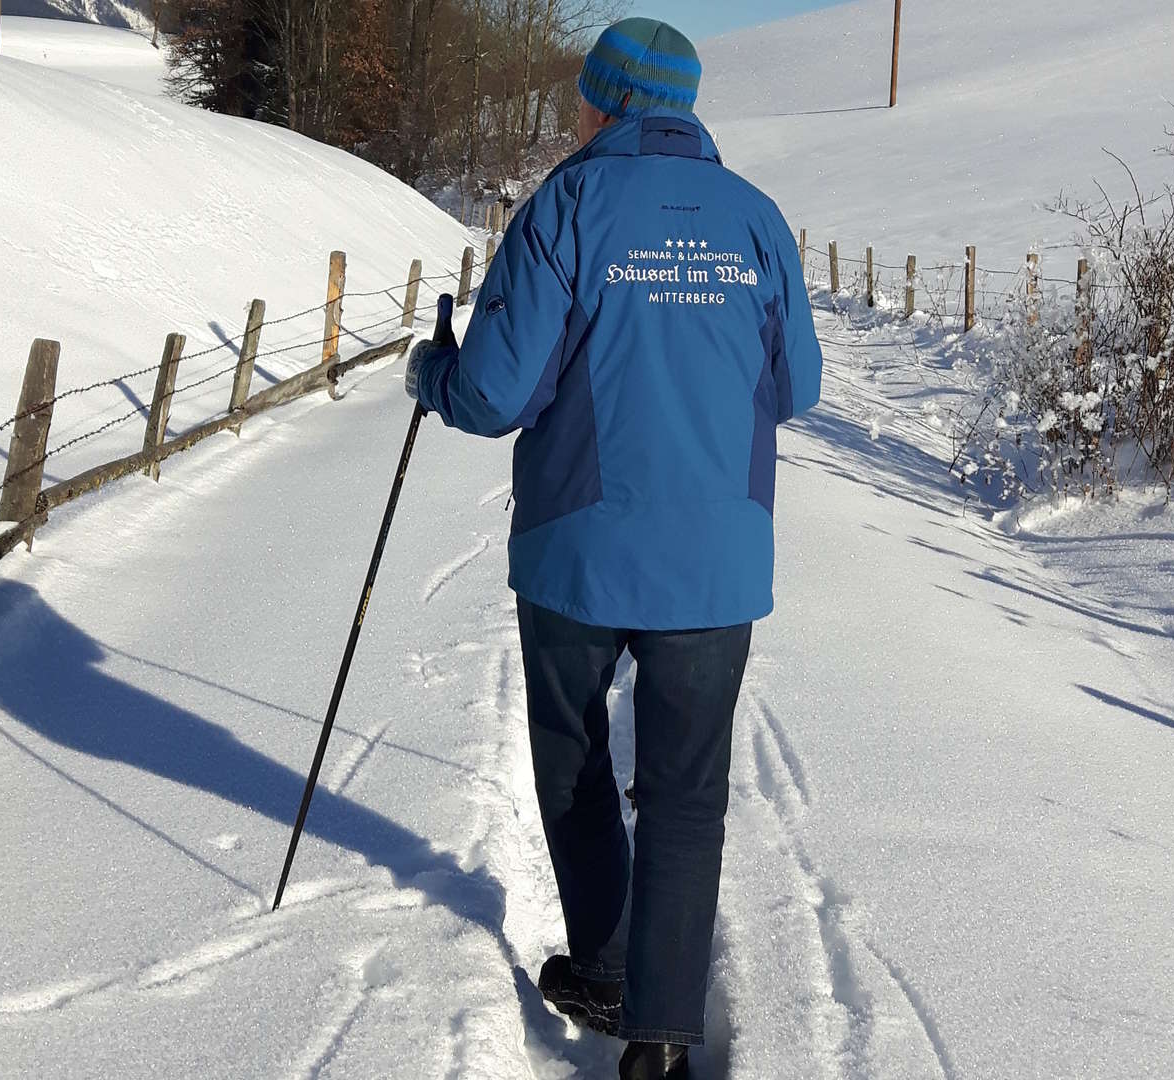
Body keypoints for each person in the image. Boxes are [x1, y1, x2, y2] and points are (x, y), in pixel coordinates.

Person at [405, 17, 822, 1080]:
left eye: (584, 98)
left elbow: (496, 390)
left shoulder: (567, 207)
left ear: (606, 103)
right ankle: (663, 1037)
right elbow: (801, 386)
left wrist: (433, 377)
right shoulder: (757, 220)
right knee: (687, 794)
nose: (576, 113)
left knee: (577, 759)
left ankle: (602, 962)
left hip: (579, 553)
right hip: (717, 559)